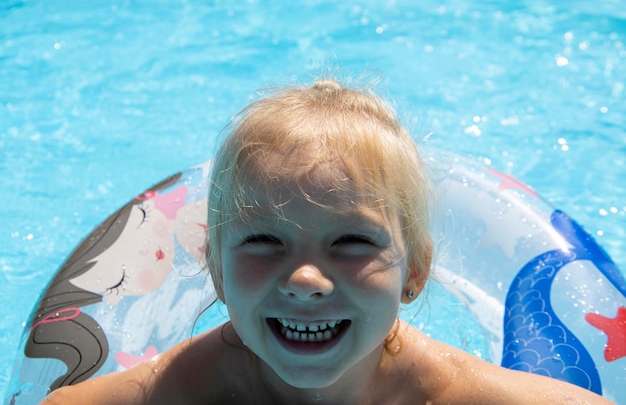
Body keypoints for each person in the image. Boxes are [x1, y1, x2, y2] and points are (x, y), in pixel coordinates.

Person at [41, 79, 615, 405]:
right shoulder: (185, 391)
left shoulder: (448, 393)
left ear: (414, 271)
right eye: (265, 240)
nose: (306, 279)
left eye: (352, 242)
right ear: (215, 270)